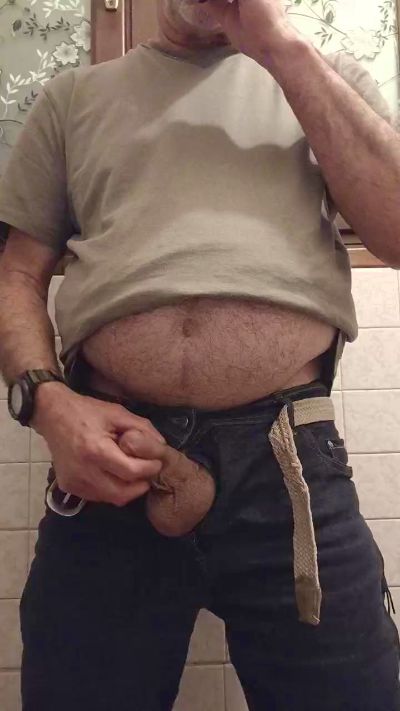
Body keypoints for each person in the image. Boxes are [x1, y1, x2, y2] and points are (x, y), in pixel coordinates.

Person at [0, 0, 399, 708]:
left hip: (289, 461)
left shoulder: (321, 77)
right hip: (113, 458)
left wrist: (279, 46)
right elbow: (18, 277)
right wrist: (48, 404)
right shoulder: (74, 97)